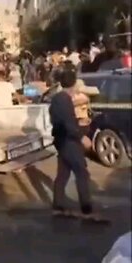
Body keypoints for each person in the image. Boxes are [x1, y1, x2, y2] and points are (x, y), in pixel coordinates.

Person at [48, 64, 107, 223]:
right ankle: (87, 210)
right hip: (69, 141)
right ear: (74, 83)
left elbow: (61, 120)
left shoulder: (57, 99)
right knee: (82, 173)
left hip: (61, 140)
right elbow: (69, 124)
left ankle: (58, 207)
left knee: (63, 174)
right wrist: (82, 136)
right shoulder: (65, 100)